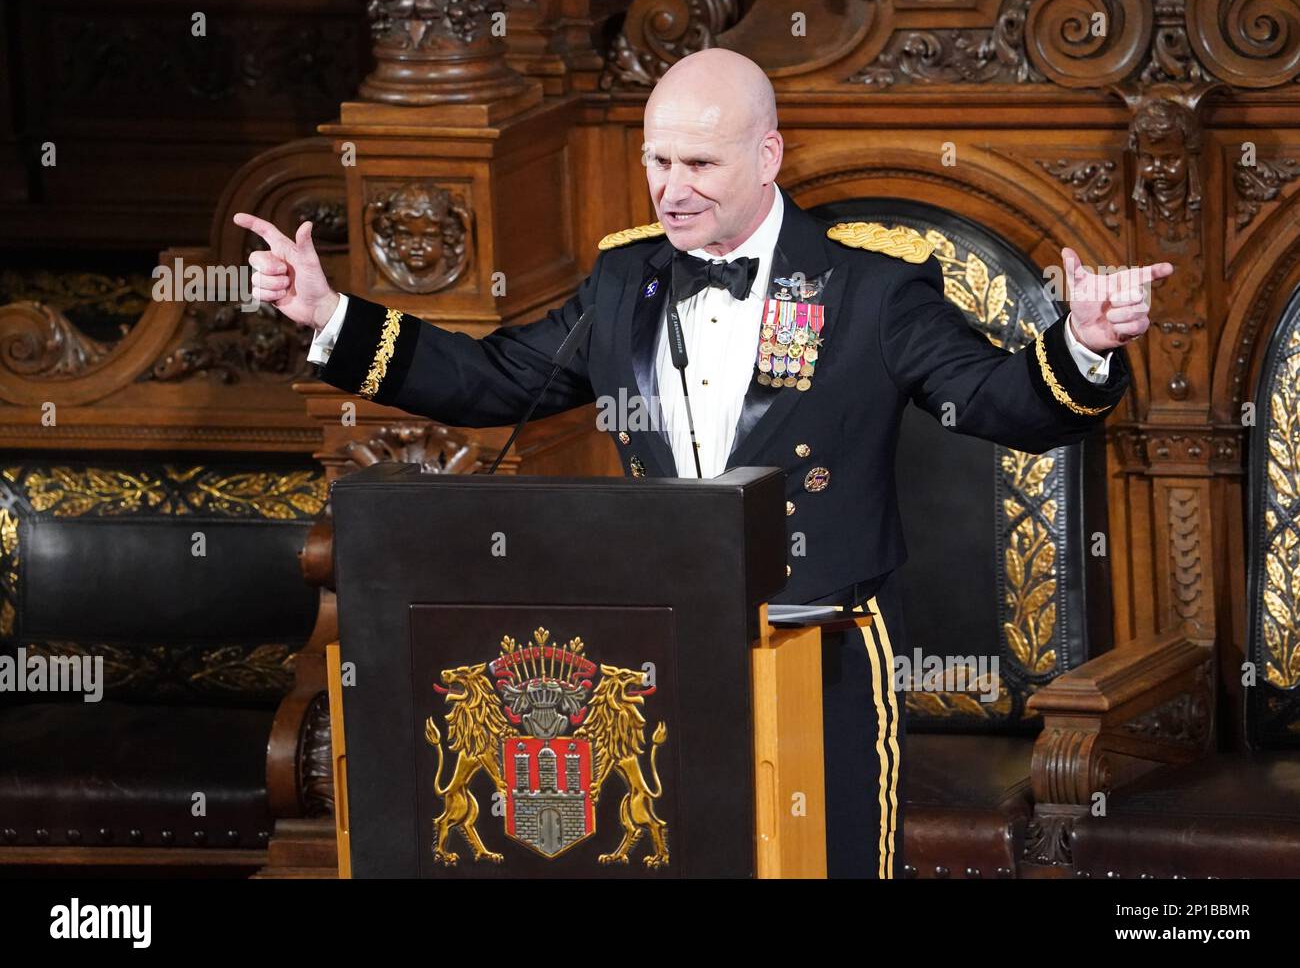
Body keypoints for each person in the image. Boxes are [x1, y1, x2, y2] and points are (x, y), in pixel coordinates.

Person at [235, 48, 1169, 879]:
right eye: (657, 160)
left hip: (820, 647)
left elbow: (1003, 402)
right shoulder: (623, 280)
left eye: (699, 164)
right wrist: (331, 316)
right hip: (655, 655)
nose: (670, 188)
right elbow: (490, 379)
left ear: (767, 158)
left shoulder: (870, 291)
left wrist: (1081, 343)